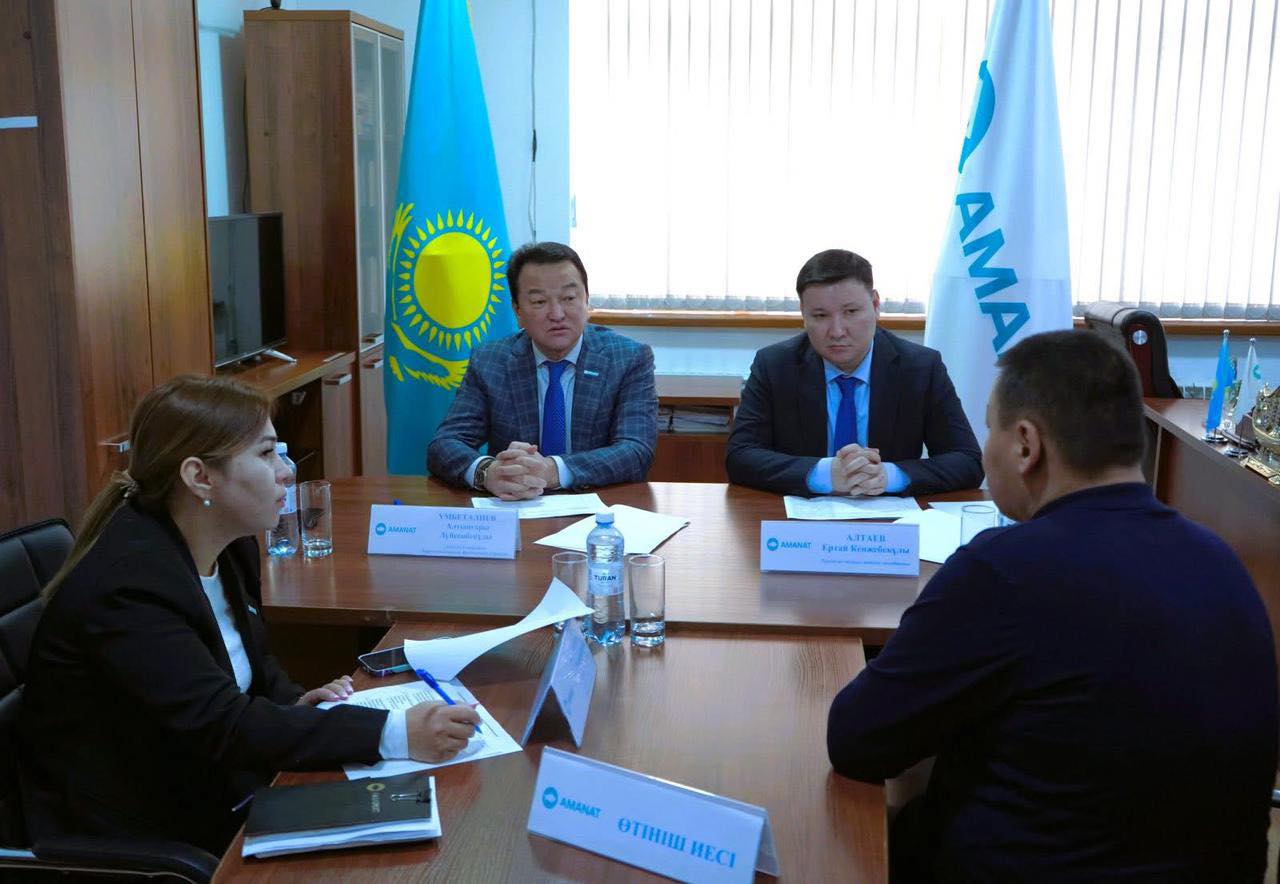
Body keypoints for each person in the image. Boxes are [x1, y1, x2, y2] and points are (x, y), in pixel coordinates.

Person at [827, 330, 1278, 881]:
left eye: (989, 428)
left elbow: (856, 739)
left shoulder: (1003, 570)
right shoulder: (1223, 562)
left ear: (1025, 445)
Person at [19, 375, 481, 854]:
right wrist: (395, 733)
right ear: (200, 477)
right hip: (145, 830)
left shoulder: (230, 545)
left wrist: (293, 703)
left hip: (217, 784)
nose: (286, 472)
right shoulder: (129, 588)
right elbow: (223, 725)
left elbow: (257, 666)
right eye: (265, 455)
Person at [726, 249, 982, 497]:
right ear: (803, 313)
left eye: (851, 312)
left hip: (890, 517)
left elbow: (967, 461)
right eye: (820, 315)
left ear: (875, 305)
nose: (837, 331)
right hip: (800, 517)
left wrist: (888, 476)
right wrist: (825, 474)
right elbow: (740, 456)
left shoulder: (920, 367)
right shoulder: (774, 366)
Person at [428, 241, 658, 496]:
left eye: (569, 298)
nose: (557, 314)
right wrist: (487, 472)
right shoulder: (490, 361)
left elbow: (636, 451)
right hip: (516, 503)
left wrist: (552, 471)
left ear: (587, 300)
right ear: (517, 311)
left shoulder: (628, 359)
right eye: (539, 301)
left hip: (597, 505)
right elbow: (446, 444)